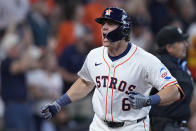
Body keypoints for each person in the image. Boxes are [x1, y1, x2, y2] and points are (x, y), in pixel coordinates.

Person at [41, 7, 184, 131]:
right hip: (99, 125)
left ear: (124, 29)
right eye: (103, 23)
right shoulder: (94, 55)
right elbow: (85, 82)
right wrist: (59, 103)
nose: (104, 27)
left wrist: (149, 100)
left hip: (132, 126)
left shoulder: (145, 60)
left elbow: (174, 90)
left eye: (110, 24)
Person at [149, 26, 194, 131]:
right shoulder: (159, 65)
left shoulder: (179, 65)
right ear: (169, 47)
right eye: (181, 42)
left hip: (178, 126)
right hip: (163, 126)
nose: (186, 45)